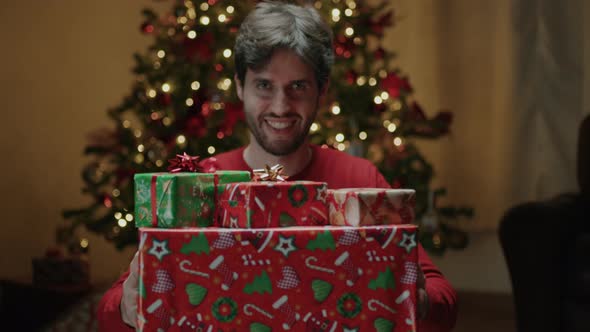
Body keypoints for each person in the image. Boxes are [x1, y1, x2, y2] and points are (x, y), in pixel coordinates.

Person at [97, 2, 457, 331]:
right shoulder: (201, 185)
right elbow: (112, 310)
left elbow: (440, 296)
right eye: (264, 86)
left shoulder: (360, 180)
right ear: (240, 87)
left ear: (322, 89)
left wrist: (419, 300)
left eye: (298, 86)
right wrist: (128, 308)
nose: (281, 106)